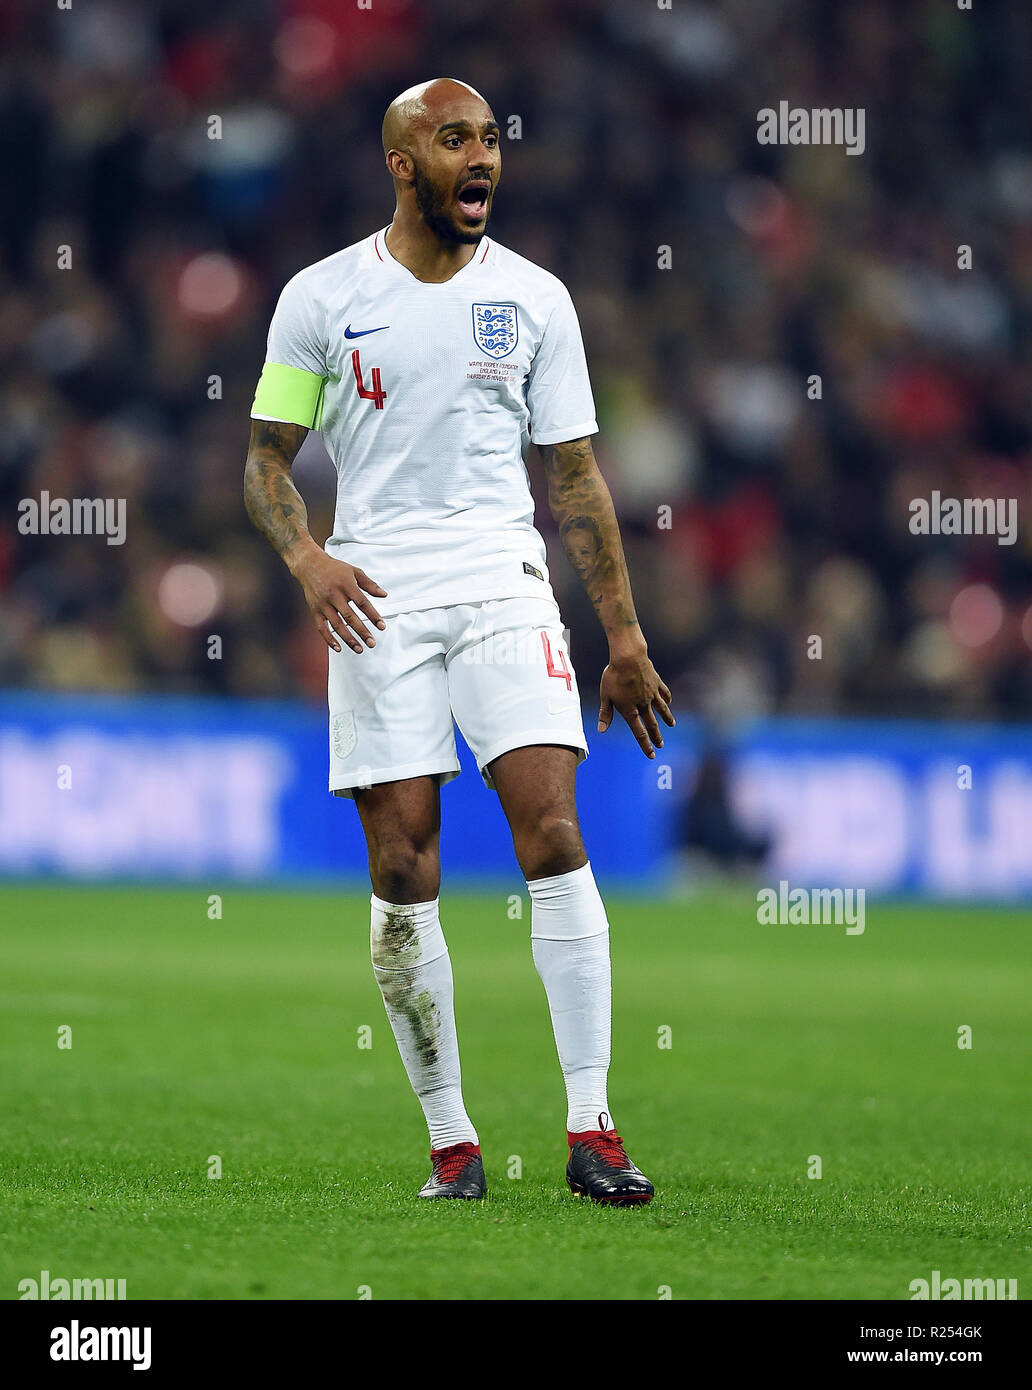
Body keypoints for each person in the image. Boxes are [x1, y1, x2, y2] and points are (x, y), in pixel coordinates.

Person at [243, 78, 673, 1204]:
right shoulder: (322, 297)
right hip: (375, 594)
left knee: (551, 830)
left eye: (489, 139)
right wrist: (307, 557)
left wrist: (622, 633)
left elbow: (574, 474)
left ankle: (594, 1130)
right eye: (453, 141)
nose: (480, 157)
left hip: (502, 584)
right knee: (402, 864)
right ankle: (453, 1145)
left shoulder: (535, 299)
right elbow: (263, 459)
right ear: (402, 162)